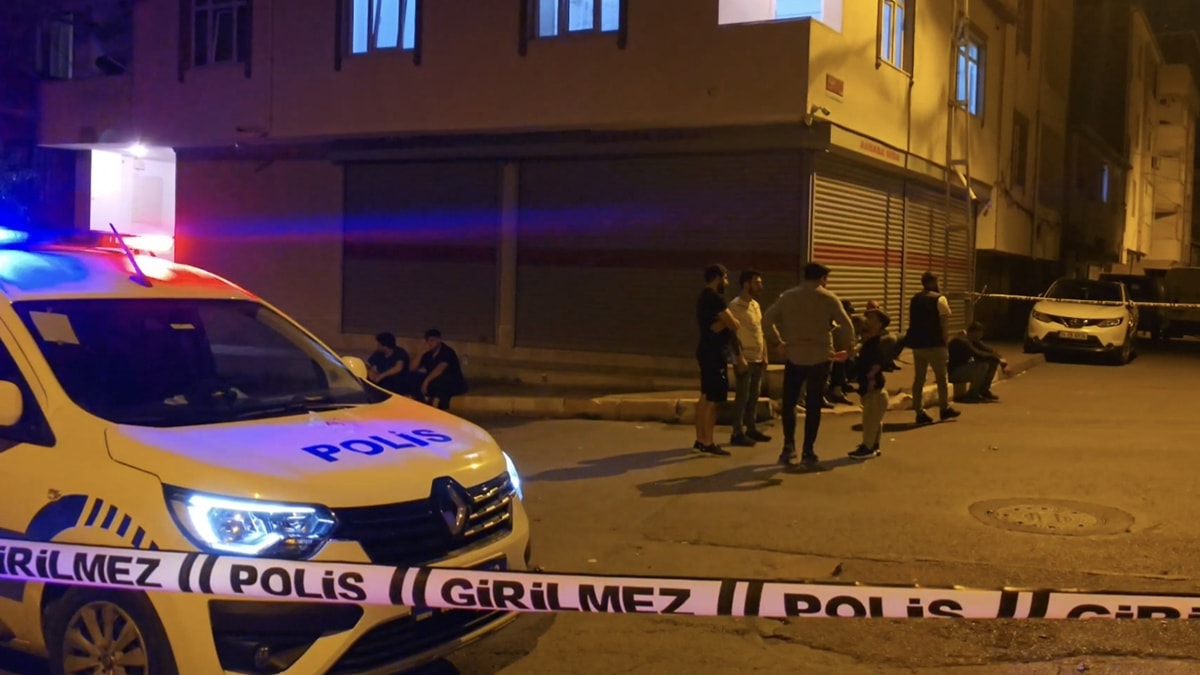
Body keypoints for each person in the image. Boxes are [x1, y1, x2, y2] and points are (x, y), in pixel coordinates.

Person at [762, 262, 855, 467]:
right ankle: (808, 450)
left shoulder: (787, 297)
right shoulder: (829, 298)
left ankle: (788, 446)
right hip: (820, 358)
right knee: (813, 405)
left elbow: (767, 320)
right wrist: (849, 348)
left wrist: (778, 343)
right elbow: (847, 325)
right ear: (822, 278)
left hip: (794, 356)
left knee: (789, 402)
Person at [694, 264, 738, 456]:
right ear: (718, 278)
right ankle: (708, 441)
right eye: (725, 278)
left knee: (705, 396)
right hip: (714, 352)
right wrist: (727, 323)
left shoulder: (703, 297)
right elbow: (734, 324)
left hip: (705, 349)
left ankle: (700, 438)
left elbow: (720, 324)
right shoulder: (716, 298)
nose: (727, 283)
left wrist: (721, 324)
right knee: (713, 399)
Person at [906, 271, 960, 425]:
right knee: (942, 378)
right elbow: (944, 324)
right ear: (932, 282)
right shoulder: (939, 299)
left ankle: (919, 411)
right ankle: (944, 408)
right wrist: (944, 341)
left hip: (918, 345)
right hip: (935, 344)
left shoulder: (915, 299)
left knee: (919, 379)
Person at [727, 269, 774, 447]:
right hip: (744, 358)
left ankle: (751, 427)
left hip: (758, 357)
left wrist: (765, 355)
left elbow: (760, 331)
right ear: (746, 284)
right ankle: (737, 432)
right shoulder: (735, 306)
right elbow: (732, 334)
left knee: (754, 395)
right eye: (757, 282)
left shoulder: (755, 305)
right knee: (742, 396)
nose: (760, 286)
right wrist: (739, 357)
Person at [849, 308, 892, 460]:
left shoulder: (878, 343)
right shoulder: (868, 342)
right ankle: (873, 445)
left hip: (874, 388)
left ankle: (867, 448)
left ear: (880, 324)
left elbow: (878, 363)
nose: (867, 321)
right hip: (871, 388)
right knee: (874, 419)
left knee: (869, 420)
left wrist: (871, 378)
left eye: (871, 318)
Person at [948, 321, 1006, 402]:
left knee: (992, 362)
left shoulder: (971, 339)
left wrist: (1000, 358)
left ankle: (984, 390)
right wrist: (997, 358)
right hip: (955, 373)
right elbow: (977, 353)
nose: (979, 337)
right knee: (982, 365)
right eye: (978, 335)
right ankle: (972, 394)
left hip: (964, 369)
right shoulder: (961, 340)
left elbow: (988, 350)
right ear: (972, 333)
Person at [414, 328, 468, 410]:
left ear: (439, 340)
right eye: (428, 341)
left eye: (432, 340)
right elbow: (412, 368)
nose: (430, 343)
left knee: (440, 385)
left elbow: (440, 369)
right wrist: (420, 353)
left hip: (452, 382)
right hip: (435, 381)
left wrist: (426, 381)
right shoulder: (428, 353)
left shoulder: (447, 351)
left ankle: (440, 407)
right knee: (414, 378)